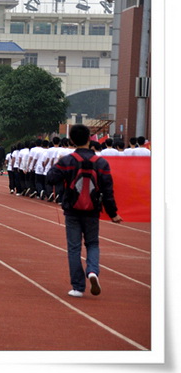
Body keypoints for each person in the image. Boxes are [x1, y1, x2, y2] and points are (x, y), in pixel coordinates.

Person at [46, 124, 122, 298]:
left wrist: (58, 165)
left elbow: (51, 178)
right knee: (92, 243)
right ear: (89, 138)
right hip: (92, 210)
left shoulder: (67, 161)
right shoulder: (101, 163)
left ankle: (78, 287)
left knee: (74, 248)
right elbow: (108, 191)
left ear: (72, 140)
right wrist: (113, 213)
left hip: (72, 209)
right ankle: (93, 271)